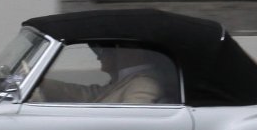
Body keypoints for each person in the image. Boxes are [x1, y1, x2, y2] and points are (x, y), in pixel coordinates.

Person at [31, 44, 165, 104]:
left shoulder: (144, 84)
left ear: (133, 52)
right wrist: (40, 82)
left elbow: (133, 121)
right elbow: (89, 95)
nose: (99, 57)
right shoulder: (128, 79)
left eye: (104, 50)